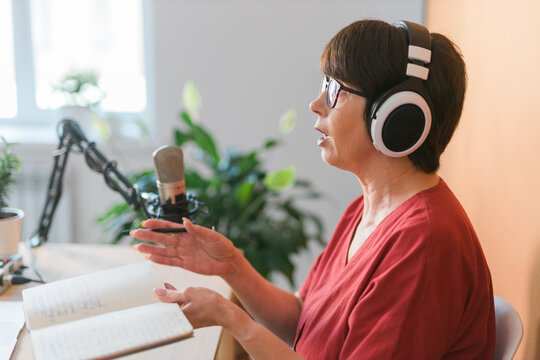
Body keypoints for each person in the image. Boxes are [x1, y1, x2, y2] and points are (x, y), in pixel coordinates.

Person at [131, 19, 495, 359]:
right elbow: (304, 323)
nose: (315, 105)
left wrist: (233, 319)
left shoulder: (426, 243)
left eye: (335, 90)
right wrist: (232, 266)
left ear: (397, 118)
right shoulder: (366, 209)